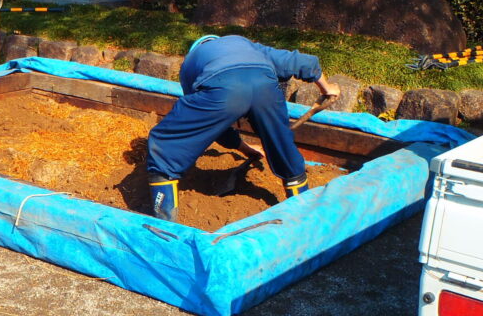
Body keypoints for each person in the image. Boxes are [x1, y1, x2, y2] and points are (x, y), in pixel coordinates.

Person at [146, 34, 341, 222]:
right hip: (265, 87)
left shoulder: (190, 63)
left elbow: (209, 124)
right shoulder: (245, 43)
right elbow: (300, 61)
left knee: (164, 142)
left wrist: (238, 144)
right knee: (282, 145)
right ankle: (302, 210)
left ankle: (164, 222)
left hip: (224, 89)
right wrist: (326, 88)